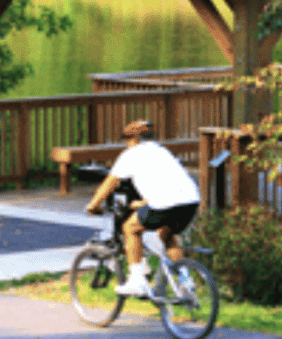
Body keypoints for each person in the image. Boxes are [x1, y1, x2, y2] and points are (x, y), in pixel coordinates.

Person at [85, 119, 201, 297]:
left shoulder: (130, 155)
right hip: (191, 201)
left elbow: (110, 183)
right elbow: (164, 183)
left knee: (130, 228)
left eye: (127, 139)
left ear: (134, 139)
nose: (126, 144)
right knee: (166, 233)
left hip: (165, 203)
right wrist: (144, 203)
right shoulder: (163, 152)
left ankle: (137, 281)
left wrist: (93, 205)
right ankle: (185, 279)